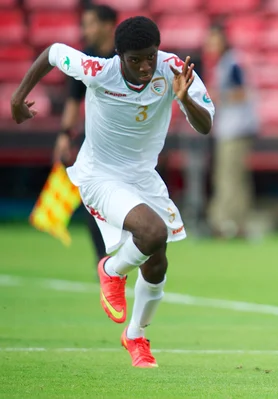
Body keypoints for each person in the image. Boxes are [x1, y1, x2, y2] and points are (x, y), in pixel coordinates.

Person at [11, 16, 215, 368]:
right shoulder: (97, 69)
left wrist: (186, 99)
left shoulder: (173, 69)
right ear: (119, 55)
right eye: (135, 59)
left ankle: (135, 336)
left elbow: (206, 126)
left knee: (157, 262)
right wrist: (18, 98)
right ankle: (113, 270)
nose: (144, 66)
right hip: (99, 175)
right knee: (152, 231)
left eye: (150, 57)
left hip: (143, 176)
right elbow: (54, 52)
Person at [53, 4, 118, 265]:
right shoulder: (85, 60)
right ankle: (102, 262)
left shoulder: (127, 57)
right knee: (92, 203)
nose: (85, 30)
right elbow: (72, 101)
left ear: (107, 25)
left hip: (129, 143)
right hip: (95, 145)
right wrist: (64, 135)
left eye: (90, 24)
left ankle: (126, 258)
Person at [205, 23, 259, 239]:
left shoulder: (231, 63)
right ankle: (234, 222)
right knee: (231, 176)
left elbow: (242, 93)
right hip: (230, 128)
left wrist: (218, 96)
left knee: (230, 177)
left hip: (235, 128)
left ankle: (228, 223)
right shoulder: (226, 63)